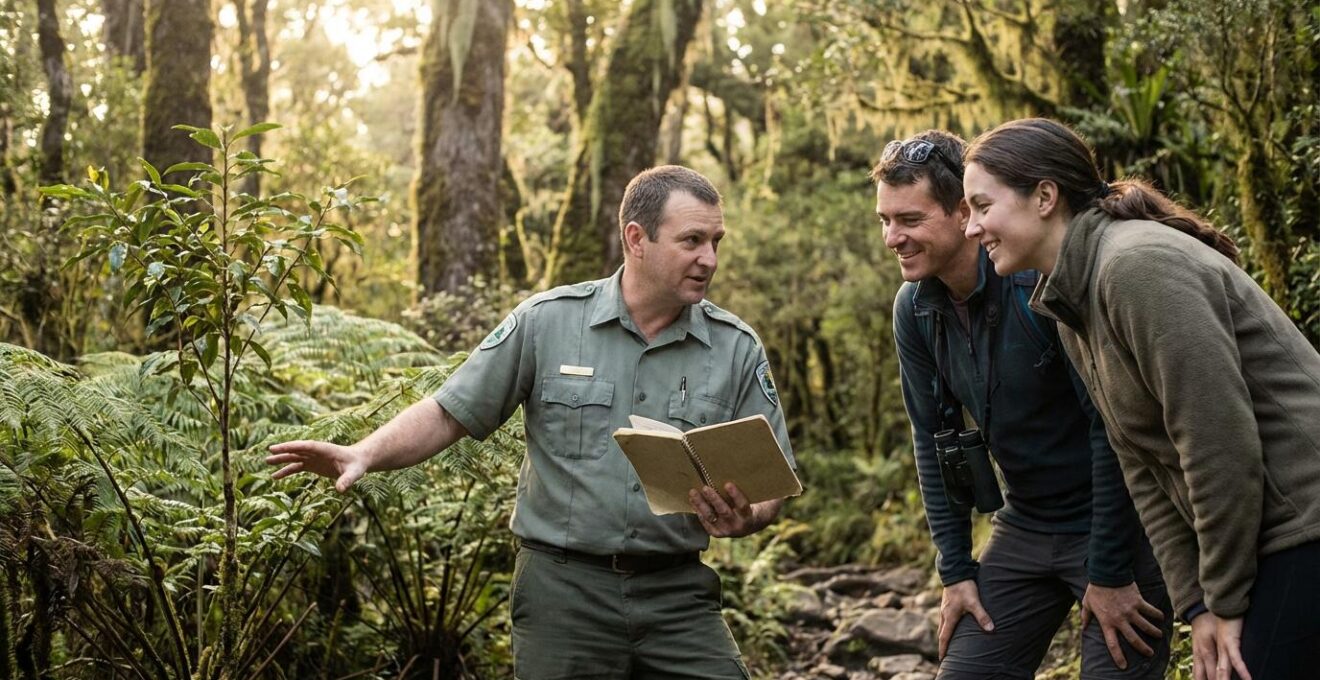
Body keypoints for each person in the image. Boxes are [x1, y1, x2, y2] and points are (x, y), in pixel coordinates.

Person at [266, 165, 795, 679]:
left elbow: (771, 483)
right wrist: (363, 452)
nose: (709, 259)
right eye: (692, 241)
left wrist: (747, 517)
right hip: (562, 596)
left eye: (715, 242)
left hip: (679, 595)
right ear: (637, 239)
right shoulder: (548, 322)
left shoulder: (736, 348)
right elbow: (449, 411)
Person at [962, 117, 1320, 680]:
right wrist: (1197, 604)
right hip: (1267, 537)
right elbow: (1142, 464)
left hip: (1303, 524)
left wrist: (1225, 599)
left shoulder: (1136, 266)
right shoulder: (1070, 303)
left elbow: (1218, 444)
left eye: (982, 206)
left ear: (1045, 197)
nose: (971, 228)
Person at [876, 129, 1172, 679]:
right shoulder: (914, 309)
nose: (893, 237)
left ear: (964, 212)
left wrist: (1110, 571)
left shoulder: (1038, 284)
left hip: (1121, 523)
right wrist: (956, 572)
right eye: (885, 220)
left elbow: (1111, 429)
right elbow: (932, 441)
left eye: (910, 220)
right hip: (1026, 523)